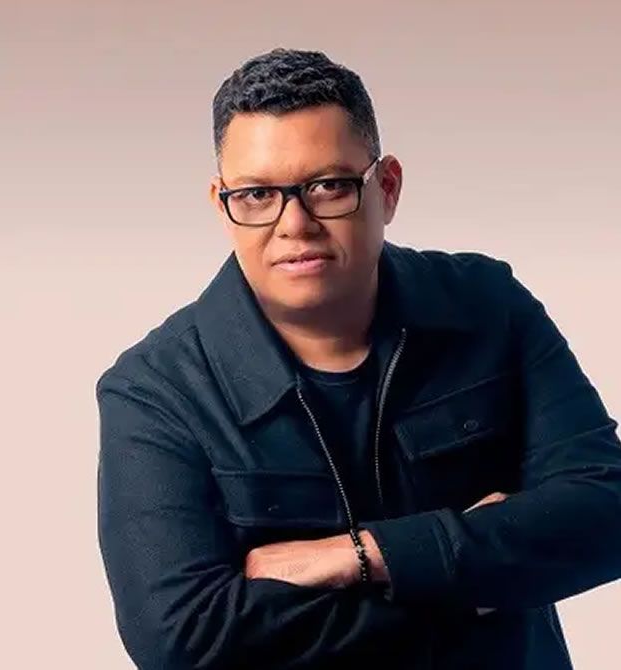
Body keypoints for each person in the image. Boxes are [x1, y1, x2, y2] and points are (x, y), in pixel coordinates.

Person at [95, 47, 621, 670]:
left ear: (387, 188)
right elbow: (183, 639)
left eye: (328, 187)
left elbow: (606, 510)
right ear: (222, 204)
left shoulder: (488, 307)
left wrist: (360, 555)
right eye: (258, 194)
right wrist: (474, 579)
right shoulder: (156, 391)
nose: (294, 224)